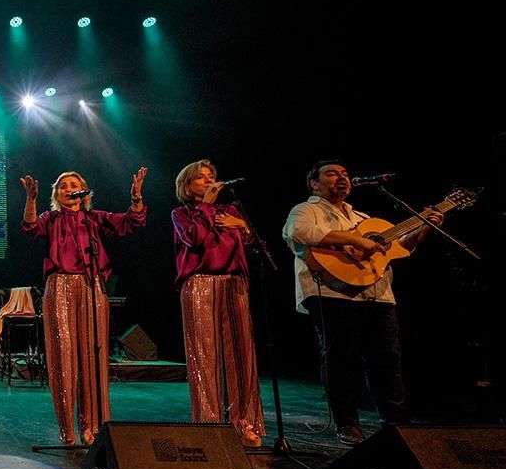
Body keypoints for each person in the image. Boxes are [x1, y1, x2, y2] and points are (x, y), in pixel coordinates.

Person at [282, 160, 443, 446]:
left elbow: (399, 249)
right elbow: (298, 232)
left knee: (387, 361)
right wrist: (356, 241)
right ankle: (347, 423)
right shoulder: (306, 210)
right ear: (315, 184)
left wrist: (423, 229)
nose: (341, 178)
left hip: (379, 295)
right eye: (332, 174)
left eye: (345, 174)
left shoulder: (364, 217)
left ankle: (395, 423)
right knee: (341, 358)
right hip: (332, 293)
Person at [21, 167, 147, 446]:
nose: (69, 188)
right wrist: (31, 199)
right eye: (64, 185)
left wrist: (136, 198)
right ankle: (68, 430)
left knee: (93, 356)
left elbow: (131, 222)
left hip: (92, 287)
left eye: (74, 184)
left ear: (84, 190)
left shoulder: (94, 219)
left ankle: (94, 428)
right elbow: (30, 228)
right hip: (60, 286)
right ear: (56, 193)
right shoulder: (51, 219)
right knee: (63, 355)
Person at [172, 159, 265, 447]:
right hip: (199, 283)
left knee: (241, 355)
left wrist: (243, 226)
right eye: (201, 178)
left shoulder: (232, 211)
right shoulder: (183, 213)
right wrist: (206, 208)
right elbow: (194, 239)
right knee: (204, 357)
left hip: (234, 281)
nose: (209, 181)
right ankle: (208, 425)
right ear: (187, 186)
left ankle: (244, 424)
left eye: (212, 176)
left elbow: (255, 246)